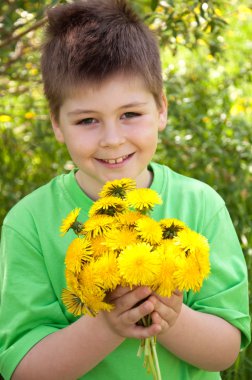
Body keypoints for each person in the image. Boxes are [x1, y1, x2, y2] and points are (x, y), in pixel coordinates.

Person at [0, 0, 250, 379]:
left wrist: (173, 316)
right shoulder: (30, 223)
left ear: (161, 109)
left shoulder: (201, 206)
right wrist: (107, 325)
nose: (112, 140)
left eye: (129, 114)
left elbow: (225, 352)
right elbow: (22, 369)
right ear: (56, 124)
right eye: (87, 120)